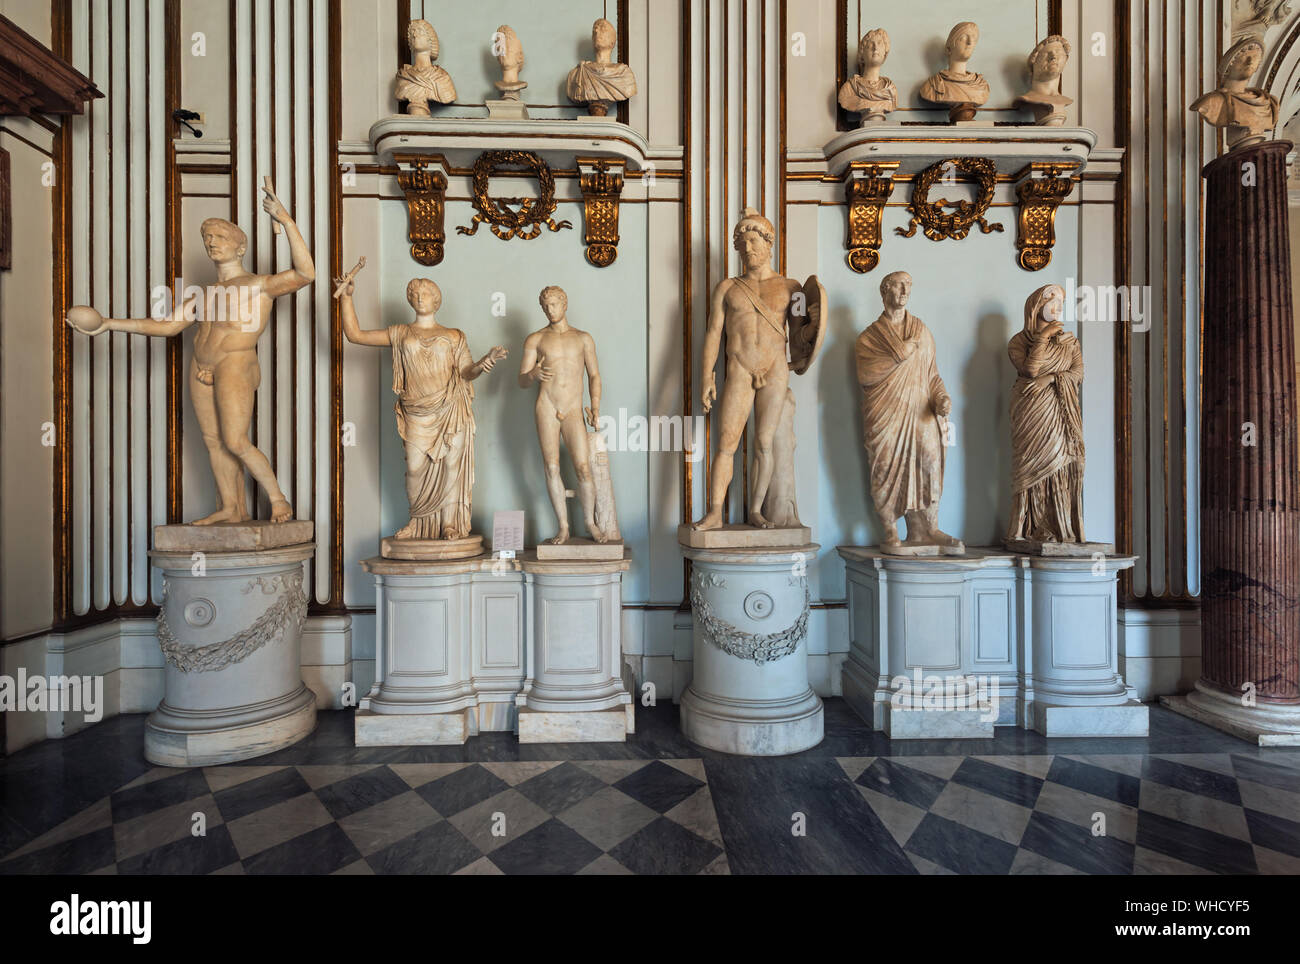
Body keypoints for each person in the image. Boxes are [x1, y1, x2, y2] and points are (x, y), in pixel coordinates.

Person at [66, 182, 312, 525]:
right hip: (200, 366)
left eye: (220, 237)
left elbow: (306, 274)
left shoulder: (257, 285)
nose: (211, 242)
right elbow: (166, 326)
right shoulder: (203, 294)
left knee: (236, 440)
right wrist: (108, 323)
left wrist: (286, 221)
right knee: (213, 442)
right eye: (207, 237)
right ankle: (232, 508)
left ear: (240, 247)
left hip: (236, 362)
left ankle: (278, 500)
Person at [337, 275, 506, 540]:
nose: (419, 297)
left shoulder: (454, 336)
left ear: (437, 300)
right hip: (416, 410)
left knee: (452, 466)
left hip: (450, 408)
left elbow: (466, 371)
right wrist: (347, 297)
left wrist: (485, 362)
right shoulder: (400, 333)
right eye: (415, 293)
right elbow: (354, 335)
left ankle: (450, 523)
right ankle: (417, 521)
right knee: (414, 468)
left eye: (426, 293)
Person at [855, 270, 962, 551]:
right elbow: (866, 374)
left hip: (922, 413)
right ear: (884, 291)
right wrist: (899, 353)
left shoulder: (921, 331)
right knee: (886, 467)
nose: (905, 290)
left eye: (908, 285)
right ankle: (890, 529)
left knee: (929, 464)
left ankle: (926, 529)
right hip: (885, 415)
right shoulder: (869, 337)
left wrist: (941, 398)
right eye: (899, 285)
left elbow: (932, 374)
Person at [518, 286, 608, 544]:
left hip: (572, 409)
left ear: (564, 304)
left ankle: (591, 523)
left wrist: (596, 406)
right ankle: (563, 527)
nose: (550, 310)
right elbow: (522, 380)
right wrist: (532, 375)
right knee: (552, 466)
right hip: (546, 406)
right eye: (545, 306)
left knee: (583, 467)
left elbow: (594, 375)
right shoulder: (535, 339)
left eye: (554, 304)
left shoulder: (583, 338)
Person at [1006, 283, 1086, 544]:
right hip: (1029, 409)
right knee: (1028, 465)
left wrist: (1050, 378)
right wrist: (1042, 338)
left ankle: (1057, 527)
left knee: (1058, 462)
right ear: (1035, 306)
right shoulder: (1018, 342)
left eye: (1061, 300)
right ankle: (1023, 529)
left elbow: (1077, 375)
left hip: (1058, 410)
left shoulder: (1070, 342)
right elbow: (1029, 370)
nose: (1057, 305)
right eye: (1051, 299)